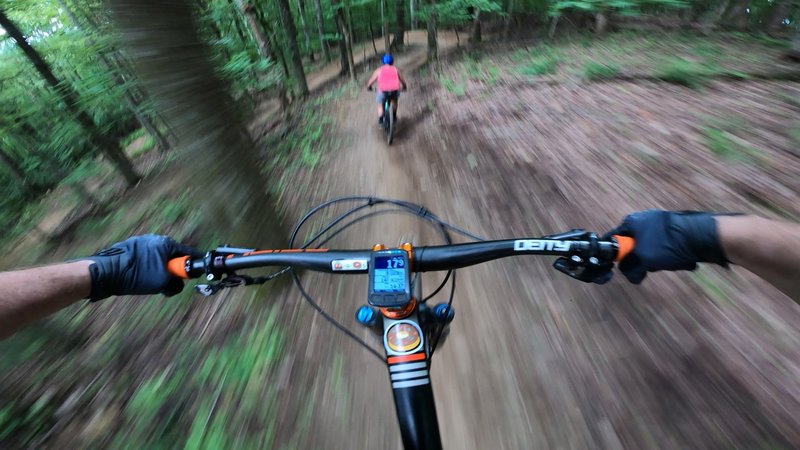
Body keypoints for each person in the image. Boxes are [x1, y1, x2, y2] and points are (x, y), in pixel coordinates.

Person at [0, 211, 798, 340]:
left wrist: (109, 275)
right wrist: (697, 235)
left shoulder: (388, 74)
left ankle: (395, 321)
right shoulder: (388, 71)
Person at [366, 53, 408, 126]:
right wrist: (404, 87)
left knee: (380, 105)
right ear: (392, 62)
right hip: (394, 90)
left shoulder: (379, 70)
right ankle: (394, 116)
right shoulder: (396, 70)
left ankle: (381, 120)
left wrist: (369, 87)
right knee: (394, 101)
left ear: (382, 62)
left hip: (382, 91)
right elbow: (403, 81)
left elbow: (370, 82)